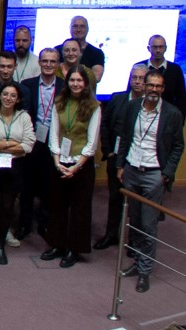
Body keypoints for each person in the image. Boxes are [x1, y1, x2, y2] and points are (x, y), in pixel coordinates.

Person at [118, 70, 184, 293]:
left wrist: (167, 173)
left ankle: (145, 271)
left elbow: (178, 146)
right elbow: (125, 137)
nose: (154, 90)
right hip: (131, 170)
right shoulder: (132, 108)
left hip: (154, 174)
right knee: (134, 221)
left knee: (148, 224)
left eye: (158, 86)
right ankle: (137, 262)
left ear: (163, 89)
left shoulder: (172, 113)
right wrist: (120, 165)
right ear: (144, 86)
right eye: (151, 85)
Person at [42, 66, 100, 268]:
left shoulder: (94, 106)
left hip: (81, 165)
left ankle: (73, 249)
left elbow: (92, 143)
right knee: (57, 206)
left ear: (86, 83)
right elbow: (54, 134)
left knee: (79, 208)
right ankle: (56, 244)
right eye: (72, 80)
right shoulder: (60, 102)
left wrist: (76, 167)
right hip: (60, 162)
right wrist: (57, 161)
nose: (75, 84)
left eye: (79, 80)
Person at [0, 83, 33, 264]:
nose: (9, 98)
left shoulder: (24, 117)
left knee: (8, 208)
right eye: (5, 94)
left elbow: (28, 145)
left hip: (15, 168)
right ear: (0, 96)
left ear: (18, 99)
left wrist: (2, 143)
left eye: (13, 95)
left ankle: (1, 245)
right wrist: (13, 144)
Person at [96, 66, 149, 250]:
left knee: (135, 202)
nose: (137, 81)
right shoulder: (118, 98)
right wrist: (108, 151)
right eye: (134, 77)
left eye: (142, 78)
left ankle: (134, 240)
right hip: (115, 156)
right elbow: (104, 125)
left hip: (138, 160)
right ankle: (111, 234)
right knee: (114, 197)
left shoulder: (149, 105)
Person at [17, 48, 65, 239]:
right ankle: (24, 223)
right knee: (26, 185)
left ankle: (44, 222)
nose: (48, 65)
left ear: (58, 64)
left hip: (53, 142)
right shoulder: (27, 85)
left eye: (52, 61)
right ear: (39, 63)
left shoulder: (64, 86)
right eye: (44, 61)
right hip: (31, 141)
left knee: (48, 184)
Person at [137, 35, 186, 108]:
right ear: (148, 48)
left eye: (161, 47)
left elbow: (181, 98)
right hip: (141, 112)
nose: (158, 50)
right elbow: (130, 92)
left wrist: (179, 117)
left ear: (165, 48)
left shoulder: (175, 69)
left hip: (168, 115)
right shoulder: (139, 67)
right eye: (155, 47)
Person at [58, 16, 106, 81]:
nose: (78, 30)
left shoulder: (97, 53)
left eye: (82, 26)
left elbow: (96, 78)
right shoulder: (57, 50)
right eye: (75, 26)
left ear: (87, 29)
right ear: (70, 28)